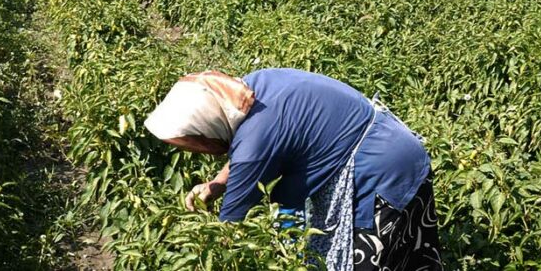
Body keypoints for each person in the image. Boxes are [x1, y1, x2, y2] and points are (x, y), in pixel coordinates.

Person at [145, 69, 442, 271]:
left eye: (197, 140)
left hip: (379, 173)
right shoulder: (249, 90)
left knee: (365, 259)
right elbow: (256, 141)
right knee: (408, 255)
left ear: (209, 124)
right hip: (398, 147)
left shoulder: (254, 144)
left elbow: (229, 228)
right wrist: (216, 184)